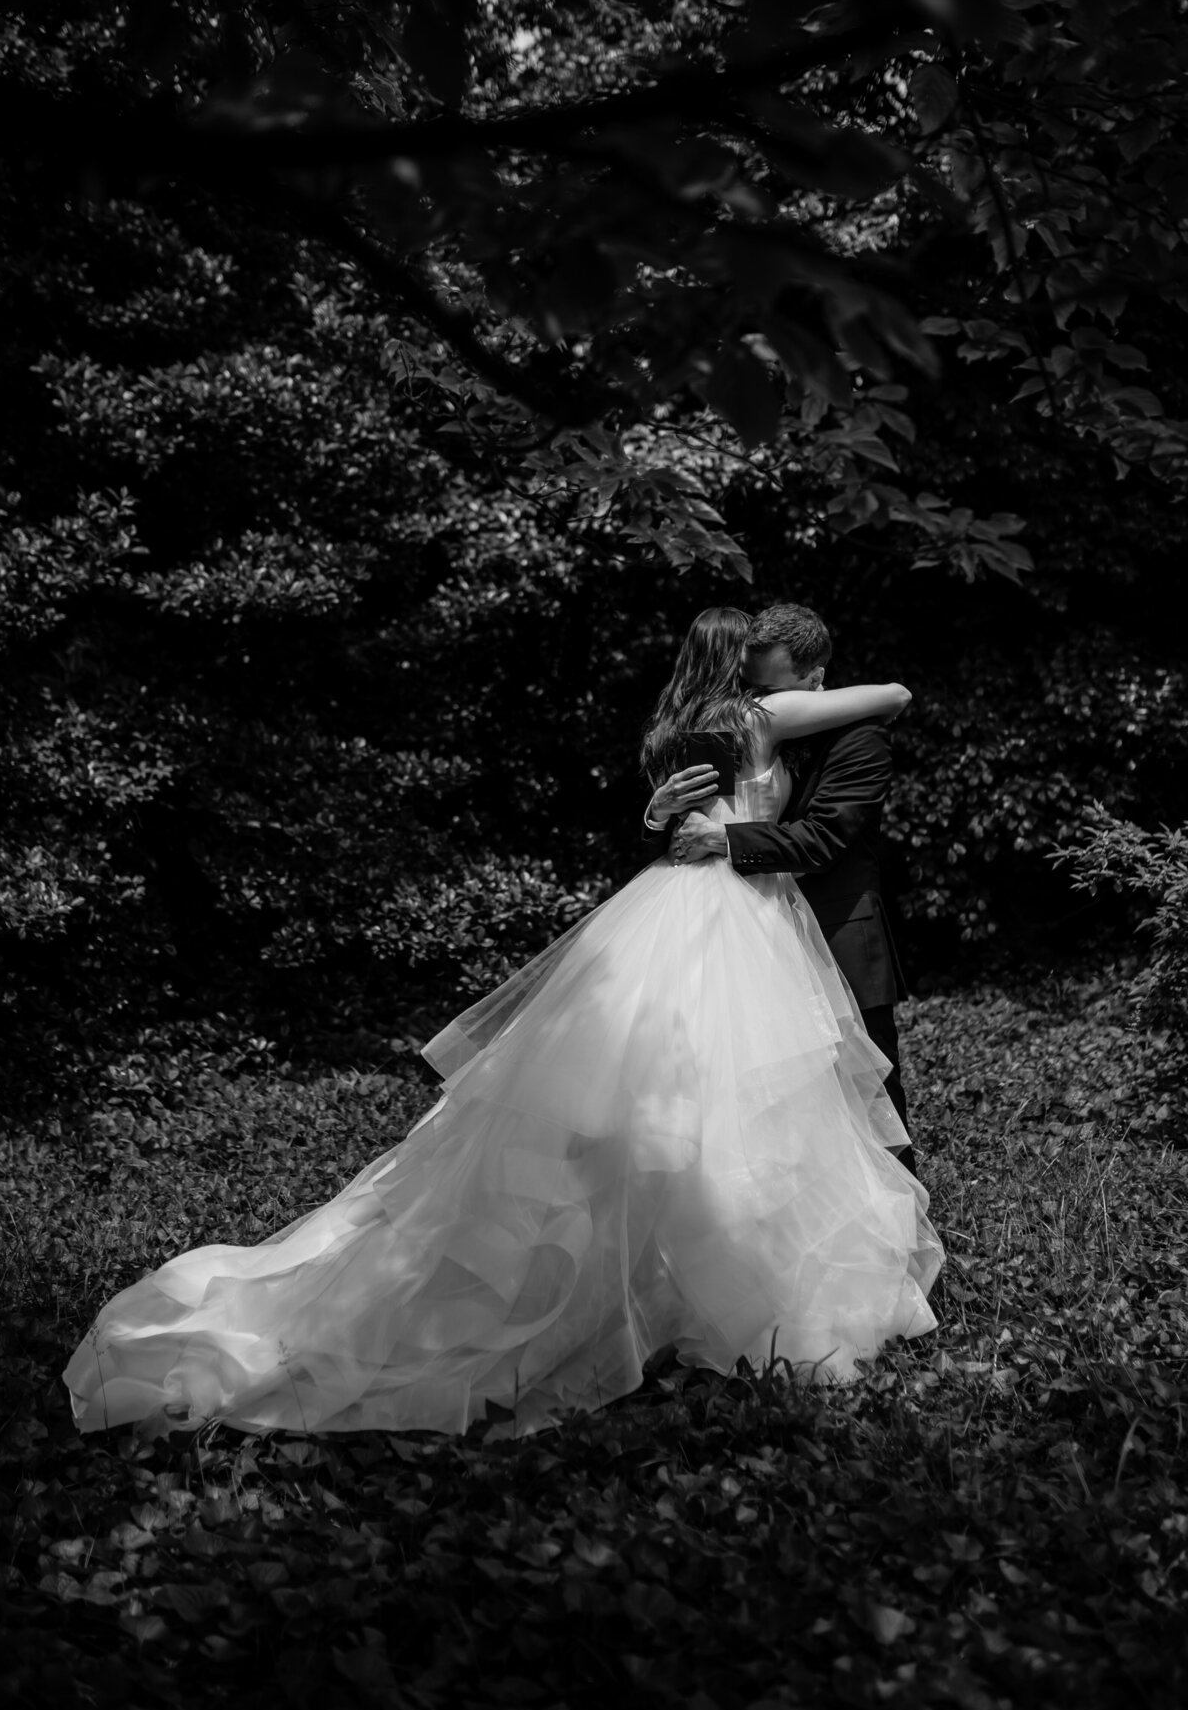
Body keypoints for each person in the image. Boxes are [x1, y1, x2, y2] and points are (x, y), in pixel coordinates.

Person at [65, 608, 943, 1441]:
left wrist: (660, 813)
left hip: (678, 905)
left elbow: (680, 812)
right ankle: (730, 1286)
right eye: (754, 665)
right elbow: (897, 694)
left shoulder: (676, 728)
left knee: (655, 1100)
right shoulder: (759, 717)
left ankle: (662, 1279)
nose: (762, 679)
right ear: (741, 664)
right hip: (735, 915)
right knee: (737, 1103)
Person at [644, 603, 917, 1175]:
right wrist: (658, 813)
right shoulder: (743, 720)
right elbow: (693, 823)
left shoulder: (854, 733)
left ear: (812, 678)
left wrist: (720, 835)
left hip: (831, 923)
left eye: (767, 686)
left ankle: (895, 1213)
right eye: (752, 682)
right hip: (752, 917)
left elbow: (823, 839)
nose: (757, 695)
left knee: (867, 1092)